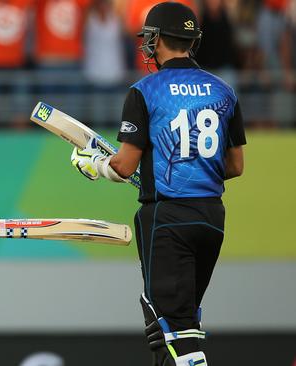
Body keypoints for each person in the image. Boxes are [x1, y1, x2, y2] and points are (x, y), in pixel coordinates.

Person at [70, 3, 245, 365]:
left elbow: (124, 164)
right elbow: (235, 166)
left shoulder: (145, 90)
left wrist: (95, 164)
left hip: (168, 218)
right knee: (179, 323)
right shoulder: (223, 90)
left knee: (168, 322)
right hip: (212, 218)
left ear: (158, 39)